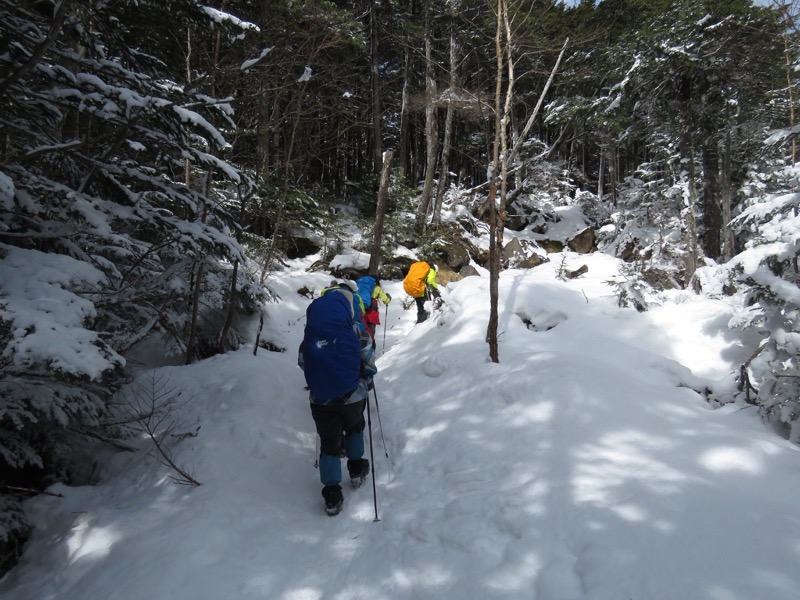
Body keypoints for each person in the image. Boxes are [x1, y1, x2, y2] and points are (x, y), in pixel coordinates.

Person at [298, 280, 376, 516]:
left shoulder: (311, 334)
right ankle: (356, 468)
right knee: (354, 428)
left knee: (329, 442)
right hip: (352, 394)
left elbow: (303, 361)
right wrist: (368, 376)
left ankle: (332, 494)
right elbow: (367, 351)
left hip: (321, 398)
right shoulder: (352, 328)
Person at [355, 274, 392, 342]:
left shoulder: (360, 287)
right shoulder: (377, 288)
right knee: (371, 330)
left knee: (361, 328)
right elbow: (386, 300)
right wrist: (388, 297)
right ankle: (371, 345)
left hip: (361, 311)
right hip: (372, 312)